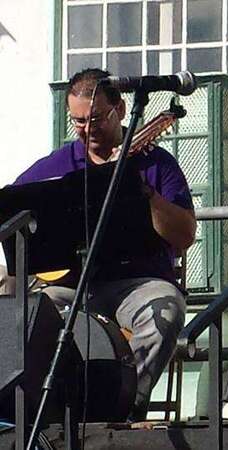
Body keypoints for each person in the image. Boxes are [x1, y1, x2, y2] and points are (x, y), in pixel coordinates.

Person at [7, 68, 196, 421]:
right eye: (77, 121)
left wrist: (144, 193)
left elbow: (185, 235)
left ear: (120, 110)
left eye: (95, 119)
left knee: (165, 311)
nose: (86, 129)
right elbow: (13, 208)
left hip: (138, 283)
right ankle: (42, 413)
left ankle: (123, 407)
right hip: (72, 285)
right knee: (23, 315)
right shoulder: (59, 165)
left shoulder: (157, 164)